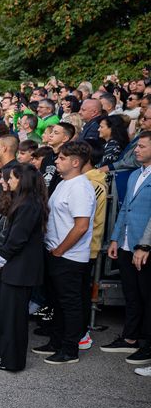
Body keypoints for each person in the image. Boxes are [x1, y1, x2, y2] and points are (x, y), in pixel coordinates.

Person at [34, 141, 96, 365]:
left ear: (75, 162)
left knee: (70, 304)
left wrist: (60, 250)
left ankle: (69, 350)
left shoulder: (80, 186)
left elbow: (81, 226)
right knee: (57, 302)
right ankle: (56, 341)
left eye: (61, 158)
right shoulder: (63, 182)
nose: (56, 161)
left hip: (69, 256)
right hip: (55, 252)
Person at [0, 164, 47, 371]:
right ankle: (8, 356)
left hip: (20, 269)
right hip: (17, 267)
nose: (8, 182)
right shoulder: (25, 202)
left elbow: (18, 237)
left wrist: (2, 256)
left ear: (22, 180)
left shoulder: (28, 204)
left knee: (15, 318)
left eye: (11, 178)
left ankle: (13, 361)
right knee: (10, 315)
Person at [105, 131, 151, 367]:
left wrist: (145, 245)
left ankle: (147, 345)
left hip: (144, 247)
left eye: (142, 146)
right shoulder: (135, 175)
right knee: (131, 294)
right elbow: (125, 210)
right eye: (137, 146)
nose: (136, 150)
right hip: (125, 243)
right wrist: (114, 239)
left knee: (147, 296)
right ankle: (130, 337)